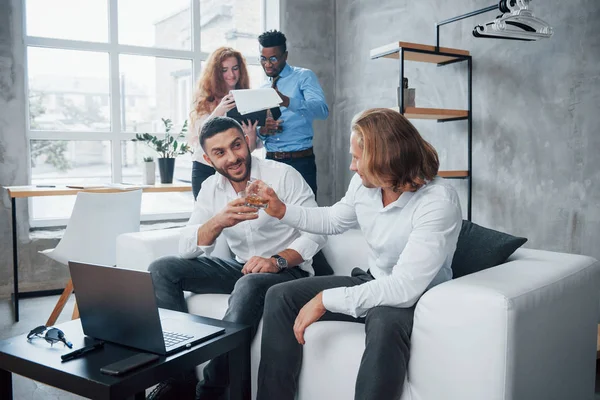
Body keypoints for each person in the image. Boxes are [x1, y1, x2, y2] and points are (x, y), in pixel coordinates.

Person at [253, 108, 463, 400]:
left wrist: (326, 299)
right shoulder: (366, 184)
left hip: (415, 298)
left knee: (384, 321)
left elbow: (403, 288)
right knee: (280, 296)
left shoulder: (438, 201)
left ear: (384, 158)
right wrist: (282, 211)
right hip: (373, 280)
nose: (352, 166)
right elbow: (333, 220)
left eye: (356, 157)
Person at [148, 116, 326, 400]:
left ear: (247, 141)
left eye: (237, 145)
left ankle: (209, 393)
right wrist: (217, 223)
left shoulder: (283, 176)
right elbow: (186, 247)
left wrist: (277, 260)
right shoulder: (210, 189)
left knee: (250, 282)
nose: (233, 157)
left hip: (288, 271)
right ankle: (178, 381)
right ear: (208, 158)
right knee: (162, 269)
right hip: (244, 270)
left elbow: (317, 233)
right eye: (220, 152)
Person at [257, 30, 329, 198]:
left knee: (306, 216)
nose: (268, 64)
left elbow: (322, 110)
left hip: (300, 162)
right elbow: (258, 132)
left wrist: (286, 101)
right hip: (270, 162)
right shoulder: (261, 88)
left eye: (273, 58)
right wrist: (263, 131)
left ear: (285, 56)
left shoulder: (303, 76)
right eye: (263, 58)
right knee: (273, 219)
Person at [188, 47, 259, 200]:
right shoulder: (204, 100)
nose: (231, 75)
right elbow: (200, 137)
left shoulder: (247, 99)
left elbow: (248, 150)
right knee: (207, 217)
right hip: (205, 167)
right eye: (224, 70)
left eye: (235, 68)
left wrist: (251, 136)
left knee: (235, 217)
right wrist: (219, 110)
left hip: (234, 168)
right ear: (216, 73)